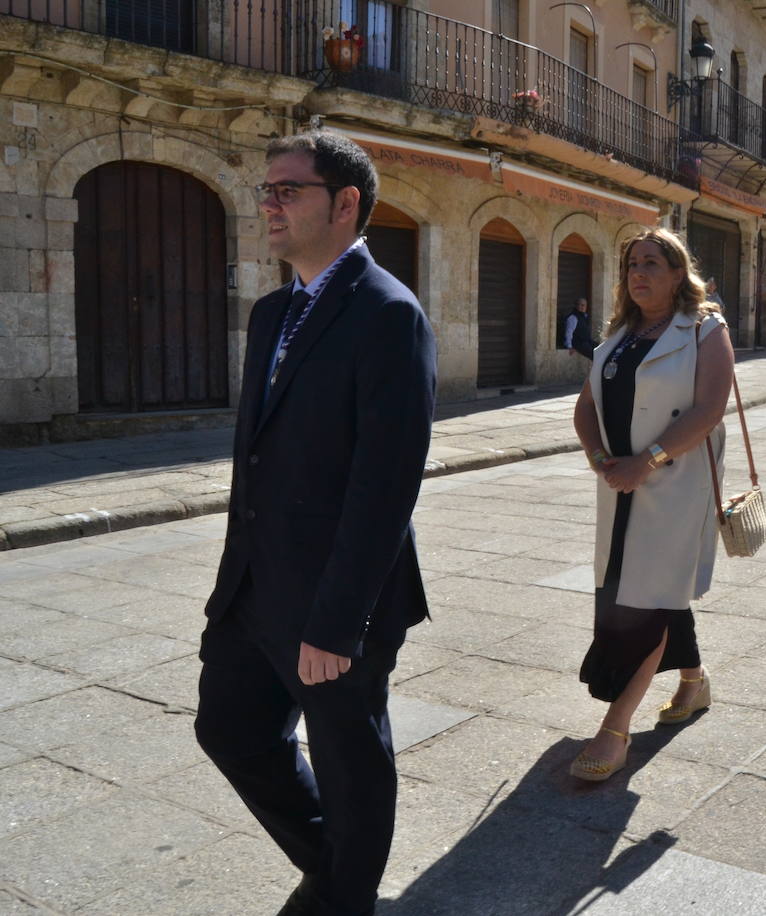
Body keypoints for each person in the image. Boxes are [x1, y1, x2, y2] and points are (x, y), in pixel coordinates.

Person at [194, 130, 437, 916]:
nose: (268, 202)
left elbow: (384, 485)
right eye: (266, 188)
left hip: (337, 599)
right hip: (254, 588)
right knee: (230, 731)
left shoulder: (388, 314)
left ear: (344, 204)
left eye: (287, 189)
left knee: (349, 763)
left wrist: (338, 622)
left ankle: (344, 898)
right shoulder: (272, 312)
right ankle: (338, 872)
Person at [569, 228, 734, 781]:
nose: (639, 273)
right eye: (632, 264)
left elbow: (710, 408)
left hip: (675, 485)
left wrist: (651, 459)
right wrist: (598, 454)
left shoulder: (704, 330)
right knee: (641, 589)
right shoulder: (618, 333)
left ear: (676, 272)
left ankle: (615, 729)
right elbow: (586, 405)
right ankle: (694, 680)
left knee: (645, 600)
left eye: (652, 263)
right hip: (620, 486)